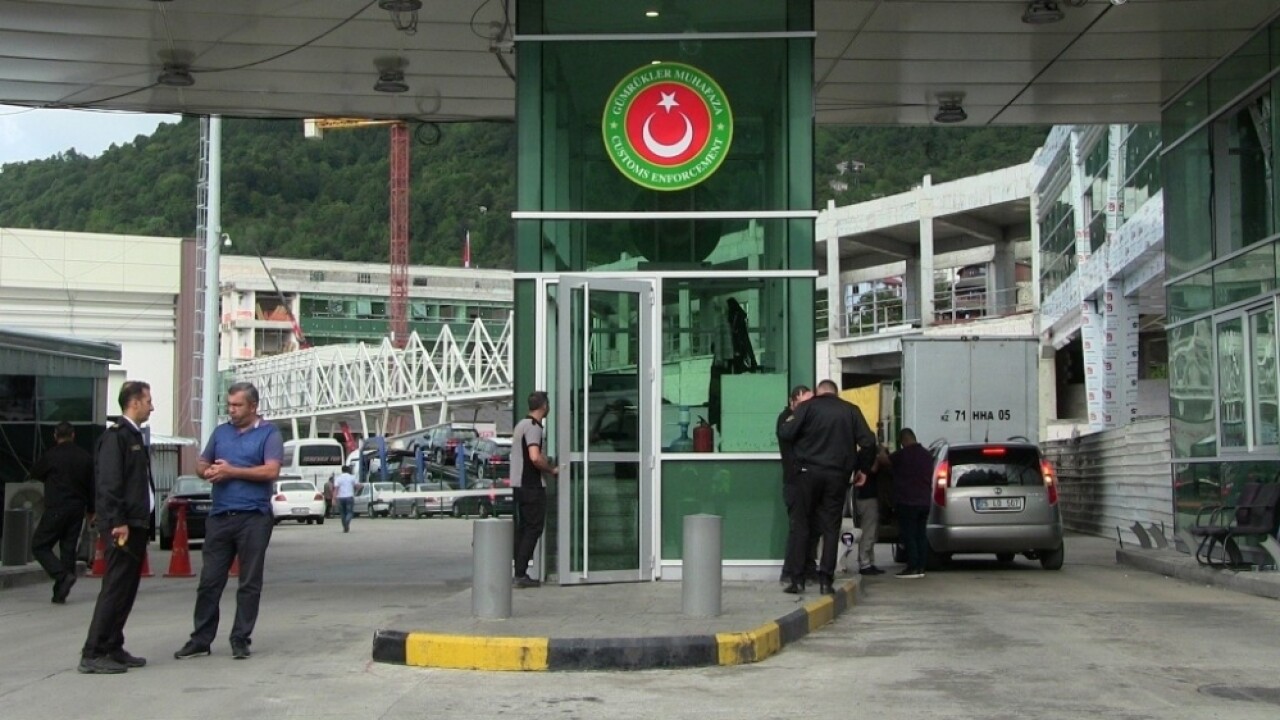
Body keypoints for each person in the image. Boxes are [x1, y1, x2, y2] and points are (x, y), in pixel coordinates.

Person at [175, 382, 283, 661]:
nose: (231, 410)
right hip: (220, 516)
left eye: (237, 405)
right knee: (209, 581)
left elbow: (271, 470)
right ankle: (201, 639)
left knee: (249, 582)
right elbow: (201, 463)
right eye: (229, 405)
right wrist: (207, 471)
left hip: (254, 517)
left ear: (253, 406)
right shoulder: (221, 433)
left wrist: (232, 471)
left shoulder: (269, 434)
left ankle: (240, 638)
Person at [78, 381, 155, 674]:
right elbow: (110, 483)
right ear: (134, 403)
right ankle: (94, 651)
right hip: (122, 526)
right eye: (148, 401)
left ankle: (113, 645)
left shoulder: (133, 435)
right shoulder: (116, 437)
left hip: (136, 524)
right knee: (115, 587)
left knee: (127, 589)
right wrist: (118, 521)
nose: (152, 407)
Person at [776, 379, 876, 595]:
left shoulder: (807, 407)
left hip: (807, 474)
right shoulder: (850, 410)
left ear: (818, 392)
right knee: (831, 527)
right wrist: (862, 469)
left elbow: (786, 433)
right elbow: (869, 442)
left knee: (801, 525)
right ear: (836, 393)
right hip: (837, 476)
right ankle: (825, 581)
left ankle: (797, 580)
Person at [29, 421, 95, 605]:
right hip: (77, 509)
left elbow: (35, 472)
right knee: (68, 548)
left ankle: (62, 575)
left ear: (55, 436)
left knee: (39, 545)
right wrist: (91, 510)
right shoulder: (85, 457)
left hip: (57, 507)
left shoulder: (51, 456)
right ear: (73, 435)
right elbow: (92, 486)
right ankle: (60, 593)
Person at [510, 390, 558, 588]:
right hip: (531, 485)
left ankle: (519, 570)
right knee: (533, 528)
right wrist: (551, 469)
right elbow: (534, 456)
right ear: (544, 406)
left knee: (523, 528)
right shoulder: (534, 427)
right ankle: (521, 574)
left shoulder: (521, 425)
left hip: (519, 486)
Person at [775, 384, 818, 583]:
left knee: (812, 528)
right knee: (798, 529)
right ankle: (790, 571)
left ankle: (808, 568)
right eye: (803, 404)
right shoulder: (786, 419)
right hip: (795, 482)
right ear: (792, 402)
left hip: (809, 481)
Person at [890, 427, 934, 579]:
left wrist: (881, 452)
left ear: (904, 440)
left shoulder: (902, 455)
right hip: (924, 501)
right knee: (921, 534)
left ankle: (912, 567)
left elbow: (885, 461)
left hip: (908, 502)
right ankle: (921, 566)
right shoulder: (927, 455)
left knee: (909, 535)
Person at [853, 445, 891, 576]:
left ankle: (869, 562)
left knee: (872, 532)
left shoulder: (861, 455)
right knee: (868, 531)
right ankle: (865, 563)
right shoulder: (866, 458)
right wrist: (879, 458)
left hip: (866, 497)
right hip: (867, 498)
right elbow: (872, 470)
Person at [332, 464, 360, 532]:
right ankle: (347, 522)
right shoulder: (352, 477)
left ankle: (345, 527)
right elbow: (357, 486)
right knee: (349, 512)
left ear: (342, 470)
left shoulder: (338, 478)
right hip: (349, 497)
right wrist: (358, 489)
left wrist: (334, 499)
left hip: (340, 498)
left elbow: (336, 489)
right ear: (348, 470)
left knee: (343, 513)